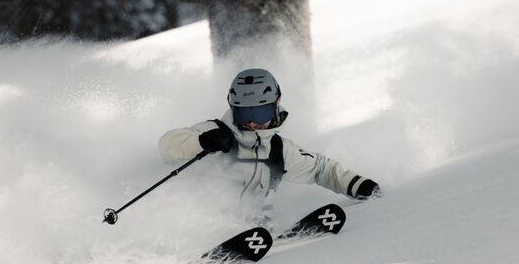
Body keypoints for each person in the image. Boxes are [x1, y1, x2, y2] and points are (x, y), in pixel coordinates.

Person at [158, 68, 379, 223]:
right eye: (244, 113)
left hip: (247, 230)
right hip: (199, 225)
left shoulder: (277, 150)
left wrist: (356, 184)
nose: (252, 122)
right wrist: (201, 142)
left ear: (275, 105)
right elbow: (167, 147)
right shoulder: (215, 133)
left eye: (260, 112)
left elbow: (321, 169)